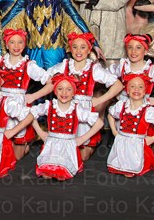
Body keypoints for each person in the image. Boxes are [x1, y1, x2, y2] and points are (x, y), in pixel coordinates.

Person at [44, 32, 124, 160]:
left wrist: (99, 100)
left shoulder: (94, 68)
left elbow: (118, 86)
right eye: (75, 47)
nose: (78, 51)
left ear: (89, 50)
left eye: (83, 47)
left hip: (84, 110)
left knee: (81, 157)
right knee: (63, 155)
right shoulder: (64, 65)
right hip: (66, 110)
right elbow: (47, 79)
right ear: (70, 49)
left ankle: (90, 146)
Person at [30, 73, 103, 180]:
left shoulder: (77, 109)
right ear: (55, 91)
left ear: (74, 92)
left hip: (68, 148)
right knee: (46, 171)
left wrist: (82, 138)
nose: (64, 93)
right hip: (51, 147)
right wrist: (40, 132)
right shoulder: (49, 106)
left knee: (63, 172)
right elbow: (31, 113)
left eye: (69, 89)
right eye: (60, 89)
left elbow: (99, 123)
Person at [0, 29, 51, 159]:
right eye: (12, 42)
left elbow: (51, 83)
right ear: (7, 45)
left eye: (20, 42)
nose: (16, 46)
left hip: (19, 105)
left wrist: (34, 96)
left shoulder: (28, 65)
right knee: (0, 152)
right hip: (1, 104)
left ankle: (25, 146)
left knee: (16, 157)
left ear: (24, 45)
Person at [106, 73, 154, 177]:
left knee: (131, 169)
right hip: (121, 144)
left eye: (140, 87)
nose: (136, 89)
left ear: (145, 91)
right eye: (132, 86)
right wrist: (115, 132)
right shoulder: (121, 106)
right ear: (127, 90)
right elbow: (110, 115)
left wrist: (152, 139)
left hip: (137, 146)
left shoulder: (148, 111)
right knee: (116, 166)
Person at [109, 34, 154, 106]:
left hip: (143, 107)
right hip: (123, 107)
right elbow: (106, 76)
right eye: (130, 47)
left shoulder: (151, 70)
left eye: (138, 48)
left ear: (145, 51)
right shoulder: (123, 67)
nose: (133, 51)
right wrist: (115, 93)